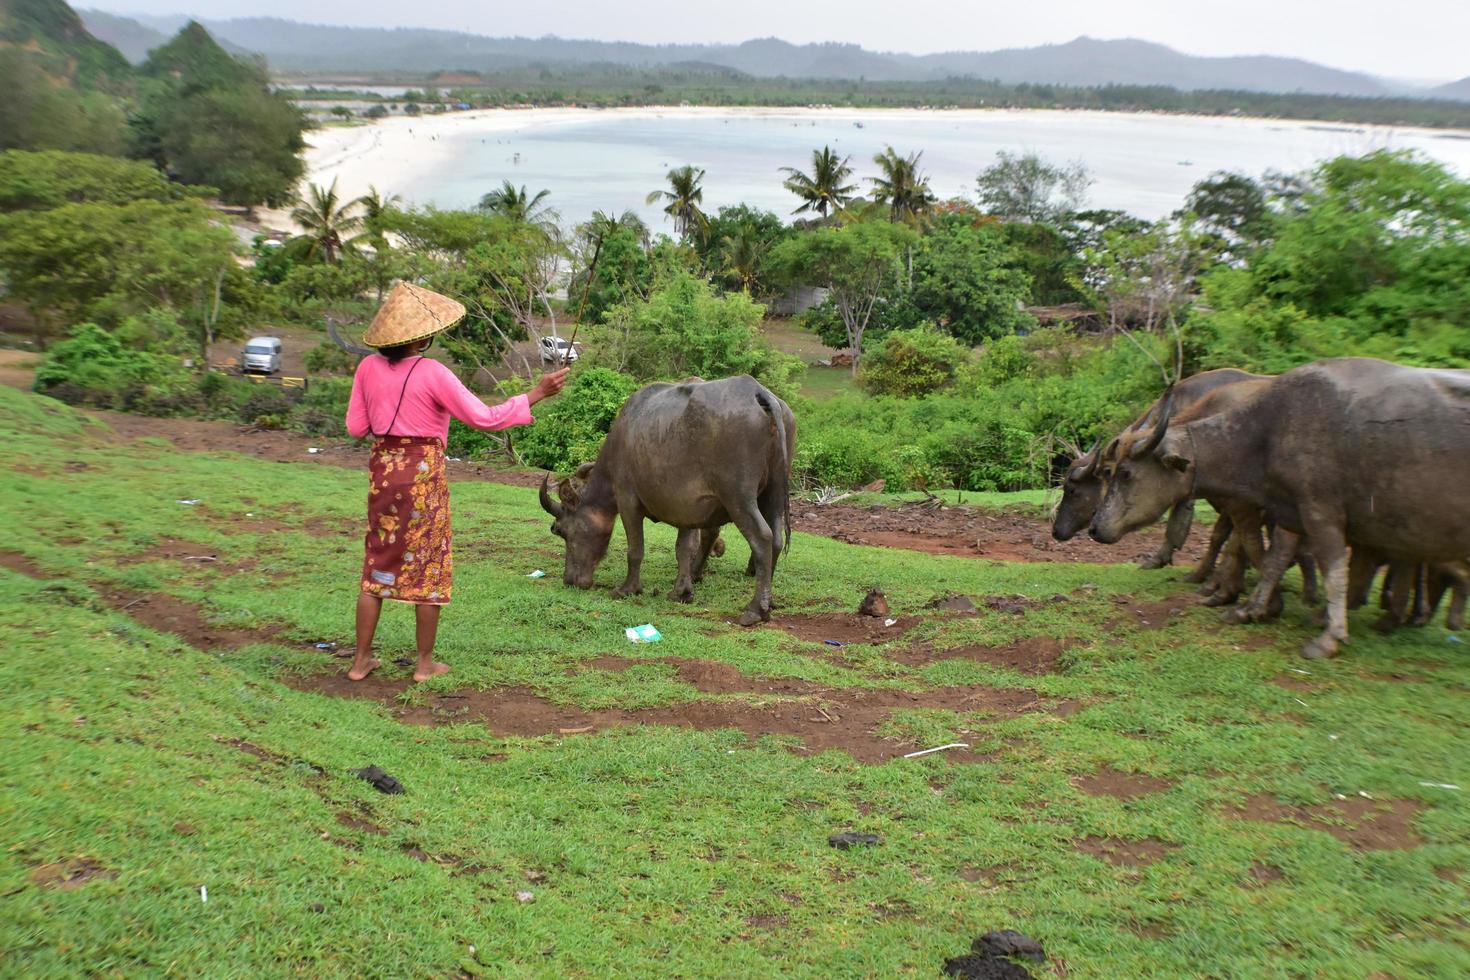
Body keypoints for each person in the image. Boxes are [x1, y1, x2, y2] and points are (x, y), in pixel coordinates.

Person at [343, 282, 569, 682]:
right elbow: (485, 418)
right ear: (423, 336)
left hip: (384, 473)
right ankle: (424, 664)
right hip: (423, 476)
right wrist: (537, 393)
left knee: (377, 564)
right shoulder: (433, 373)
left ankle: (360, 662)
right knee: (428, 566)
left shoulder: (366, 368)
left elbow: (356, 427)